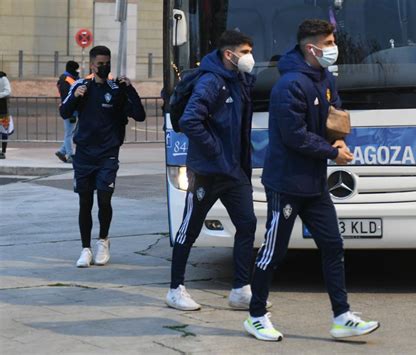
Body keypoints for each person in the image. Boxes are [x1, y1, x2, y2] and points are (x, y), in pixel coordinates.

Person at [243, 19, 379, 341]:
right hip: (287, 183)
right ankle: (256, 316)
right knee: (272, 253)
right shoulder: (289, 85)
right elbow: (295, 136)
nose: (334, 48)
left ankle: (342, 317)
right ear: (311, 48)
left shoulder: (325, 77)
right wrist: (332, 154)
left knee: (332, 245)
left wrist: (340, 138)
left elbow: (334, 111)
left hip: (314, 184)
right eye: (329, 43)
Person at [166, 30, 262, 311]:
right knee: (189, 229)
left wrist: (234, 161)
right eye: (245, 51)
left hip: (234, 172)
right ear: (228, 54)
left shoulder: (240, 80)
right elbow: (190, 120)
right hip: (208, 171)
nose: (249, 57)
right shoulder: (211, 81)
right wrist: (216, 152)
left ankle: (241, 290)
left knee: (246, 225)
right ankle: (175, 289)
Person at [60, 45, 146, 268]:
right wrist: (75, 98)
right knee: (85, 202)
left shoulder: (116, 89)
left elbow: (139, 115)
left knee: (104, 199)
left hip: (107, 154)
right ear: (91, 64)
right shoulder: (81, 86)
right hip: (84, 155)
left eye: (107, 63)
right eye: (100, 63)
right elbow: (64, 112)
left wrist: (130, 90)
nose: (104, 67)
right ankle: (85, 249)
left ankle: (103, 241)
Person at [56, 61, 80, 163]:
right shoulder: (66, 80)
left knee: (71, 132)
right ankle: (70, 155)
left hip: (73, 109)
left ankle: (62, 151)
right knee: (69, 133)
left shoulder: (71, 78)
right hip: (70, 110)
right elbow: (66, 97)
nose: (78, 71)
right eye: (76, 69)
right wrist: (70, 110)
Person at [0, 71, 12, 159]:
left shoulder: (3, 78)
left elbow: (7, 91)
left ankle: (3, 151)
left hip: (3, 109)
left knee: (4, 130)